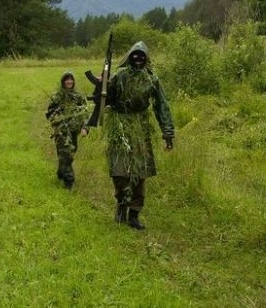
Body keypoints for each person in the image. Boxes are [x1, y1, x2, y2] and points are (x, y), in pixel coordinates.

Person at [105, 41, 174, 229]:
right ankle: (121, 206)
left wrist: (167, 132)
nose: (138, 59)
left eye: (142, 56)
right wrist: (103, 86)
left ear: (146, 59)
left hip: (141, 129)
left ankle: (134, 213)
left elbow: (162, 106)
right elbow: (106, 100)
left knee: (139, 171)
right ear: (129, 56)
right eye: (135, 55)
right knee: (119, 171)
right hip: (120, 125)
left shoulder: (152, 80)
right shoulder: (119, 76)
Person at [46, 71, 89, 189]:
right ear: (63, 82)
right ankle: (69, 182)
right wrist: (57, 119)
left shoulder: (79, 96)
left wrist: (85, 127)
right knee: (66, 154)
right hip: (61, 131)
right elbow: (49, 112)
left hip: (74, 130)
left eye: (71, 79)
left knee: (71, 151)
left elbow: (85, 113)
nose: (69, 81)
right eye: (66, 79)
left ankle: (61, 171)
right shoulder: (57, 96)